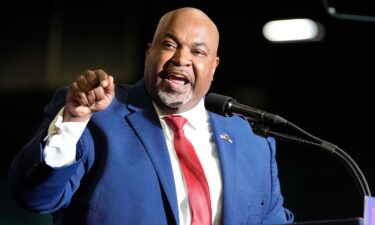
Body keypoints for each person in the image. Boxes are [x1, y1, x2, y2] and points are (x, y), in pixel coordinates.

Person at [9, 7, 294, 225]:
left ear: (214, 66)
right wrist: (73, 121)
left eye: (198, 51)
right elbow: (35, 197)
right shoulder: (96, 115)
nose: (181, 59)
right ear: (149, 53)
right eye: (169, 45)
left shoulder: (252, 143)